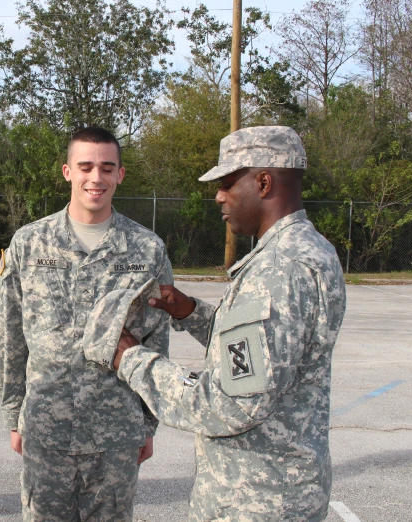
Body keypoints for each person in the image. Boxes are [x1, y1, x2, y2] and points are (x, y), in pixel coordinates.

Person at [86, 126, 347, 521]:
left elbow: (227, 404)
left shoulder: (279, 271)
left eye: (226, 183)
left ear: (263, 182)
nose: (218, 196)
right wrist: (192, 313)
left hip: (254, 502)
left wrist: (131, 359)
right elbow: (264, 356)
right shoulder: (310, 251)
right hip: (282, 491)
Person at [0, 127, 174, 521]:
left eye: (107, 168)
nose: (96, 178)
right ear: (67, 171)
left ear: (120, 175)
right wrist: (13, 415)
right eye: (86, 166)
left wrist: (148, 422)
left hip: (116, 432)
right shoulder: (29, 243)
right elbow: (9, 338)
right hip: (46, 428)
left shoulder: (147, 248)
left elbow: (156, 341)